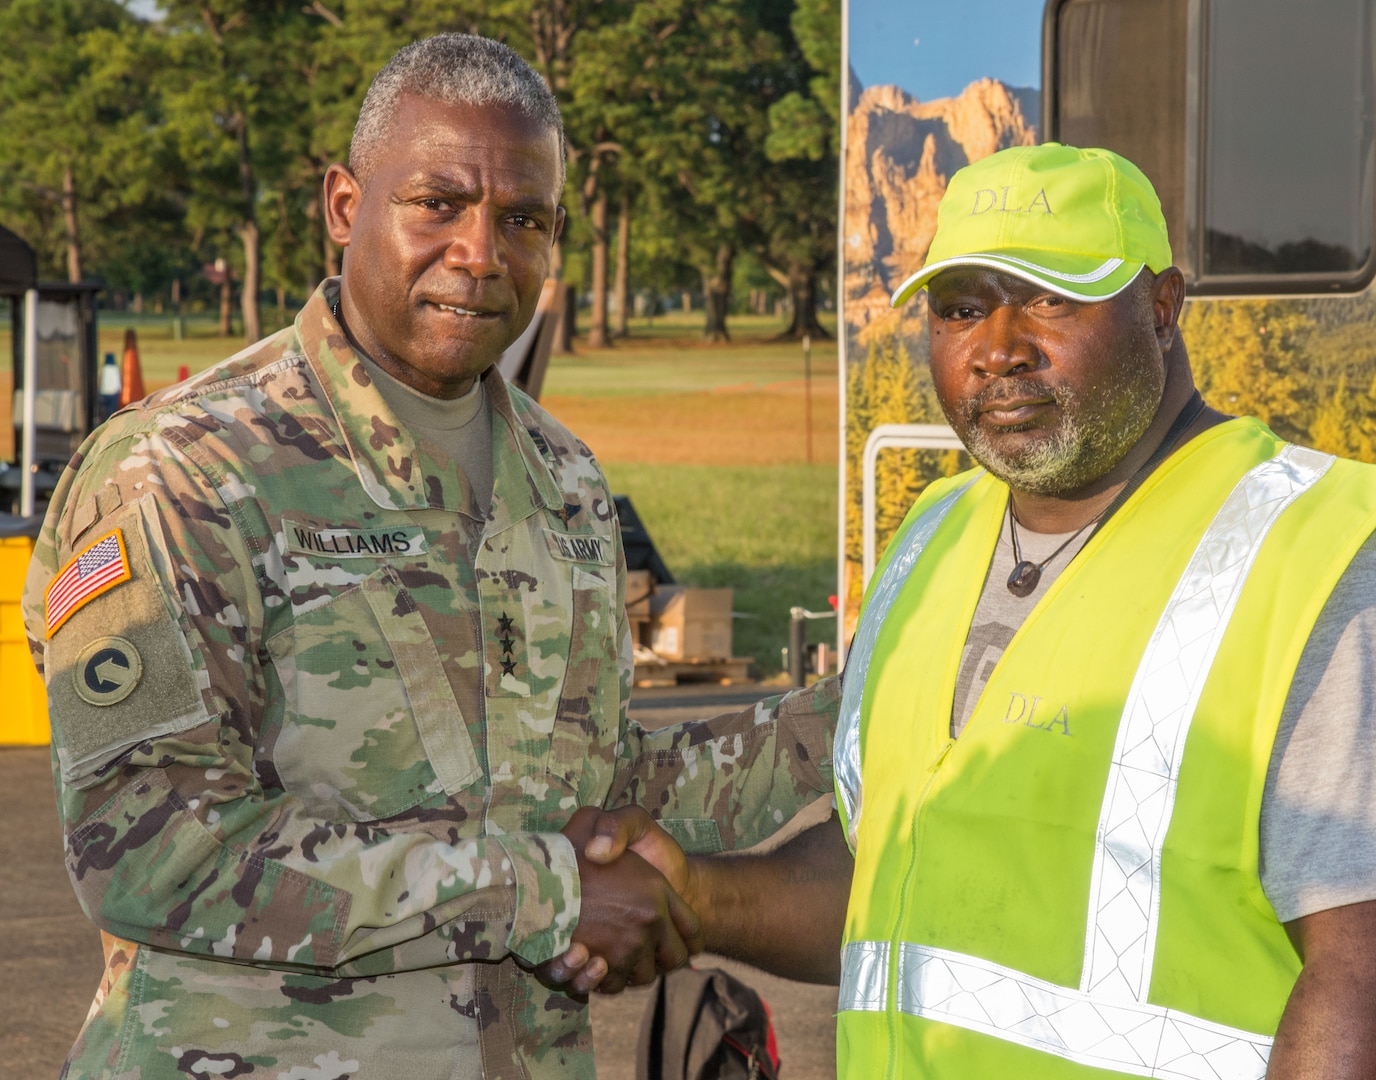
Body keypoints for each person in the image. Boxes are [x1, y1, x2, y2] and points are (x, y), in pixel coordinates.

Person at [23, 35, 836, 1079]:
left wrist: (853, 715)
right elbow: (146, 845)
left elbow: (589, 787)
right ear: (343, 205)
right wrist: (544, 893)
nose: (482, 252)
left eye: (524, 220)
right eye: (437, 204)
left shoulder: (562, 477)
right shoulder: (182, 471)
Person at [582, 142, 1376, 1078]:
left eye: (1051, 297)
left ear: (1163, 307)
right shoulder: (934, 538)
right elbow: (897, 874)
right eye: (961, 309)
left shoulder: (1319, 561)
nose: (999, 348)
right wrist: (694, 899)